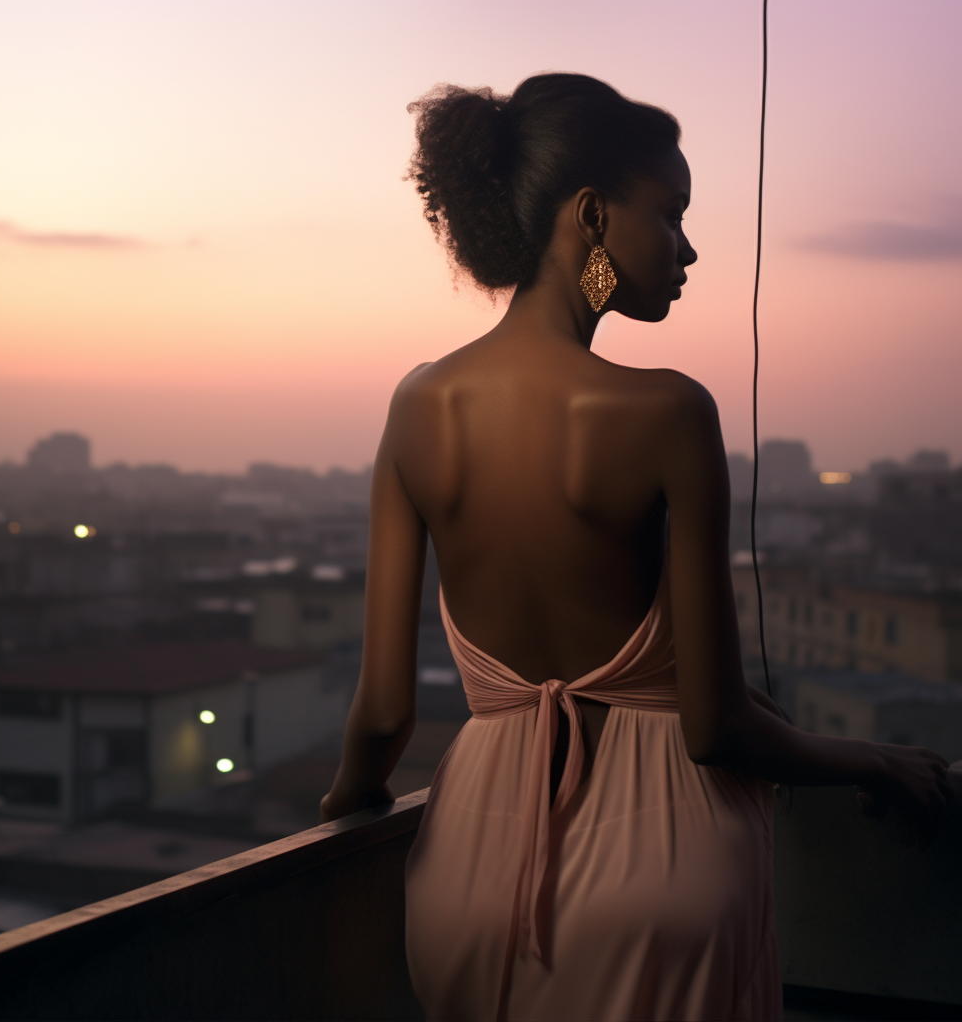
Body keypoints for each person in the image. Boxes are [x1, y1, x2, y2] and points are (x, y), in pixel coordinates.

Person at [320, 73, 952, 1021]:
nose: (691, 247)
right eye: (672, 212)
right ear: (592, 216)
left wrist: (344, 811)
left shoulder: (416, 407)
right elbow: (716, 727)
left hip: (465, 876)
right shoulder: (667, 411)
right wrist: (869, 759)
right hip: (666, 873)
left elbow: (380, 714)